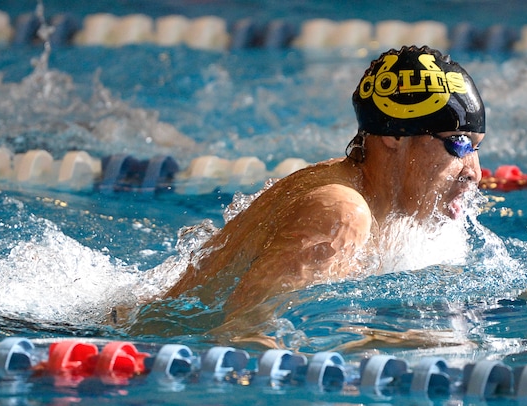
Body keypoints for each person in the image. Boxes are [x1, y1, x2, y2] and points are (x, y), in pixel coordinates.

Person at [160, 45, 485, 343]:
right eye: (458, 143)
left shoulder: (367, 193)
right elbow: (243, 338)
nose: (475, 172)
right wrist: (398, 344)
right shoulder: (341, 213)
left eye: (477, 147)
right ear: (395, 136)